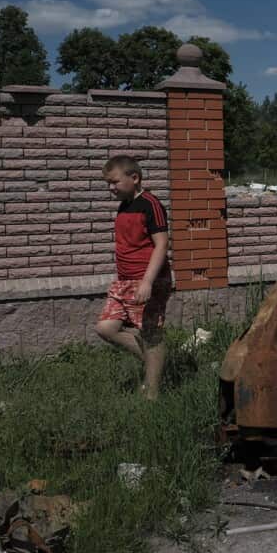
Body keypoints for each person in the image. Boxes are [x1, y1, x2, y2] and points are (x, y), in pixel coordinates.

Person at [95, 155, 172, 399]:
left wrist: (147, 282)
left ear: (134, 178)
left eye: (115, 182)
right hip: (124, 281)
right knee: (106, 328)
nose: (111, 188)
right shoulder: (125, 205)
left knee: (150, 332)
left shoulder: (151, 204)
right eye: (108, 183)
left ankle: (152, 393)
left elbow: (161, 245)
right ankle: (155, 364)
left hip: (148, 280)